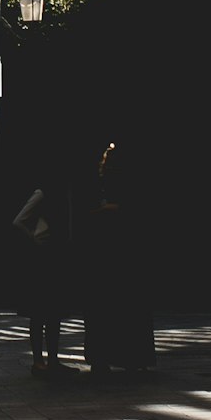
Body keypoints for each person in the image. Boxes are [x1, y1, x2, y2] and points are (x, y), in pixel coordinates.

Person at [82, 141, 157, 372]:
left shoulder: (100, 185)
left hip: (104, 253)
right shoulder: (129, 185)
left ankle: (101, 358)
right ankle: (133, 358)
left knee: (103, 307)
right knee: (128, 305)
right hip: (125, 253)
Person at [12, 186, 65, 373]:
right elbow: (18, 221)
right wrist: (36, 240)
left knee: (49, 312)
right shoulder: (43, 193)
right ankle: (41, 360)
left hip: (50, 256)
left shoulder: (50, 194)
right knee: (42, 312)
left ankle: (49, 360)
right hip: (45, 257)